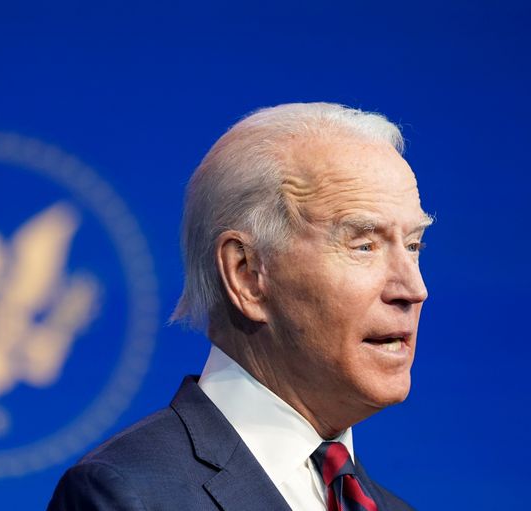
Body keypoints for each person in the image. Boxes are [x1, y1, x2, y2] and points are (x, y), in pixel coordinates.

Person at [48, 103, 432, 510]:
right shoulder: (128, 495)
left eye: (413, 246)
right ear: (247, 273)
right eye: (364, 246)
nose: (413, 288)